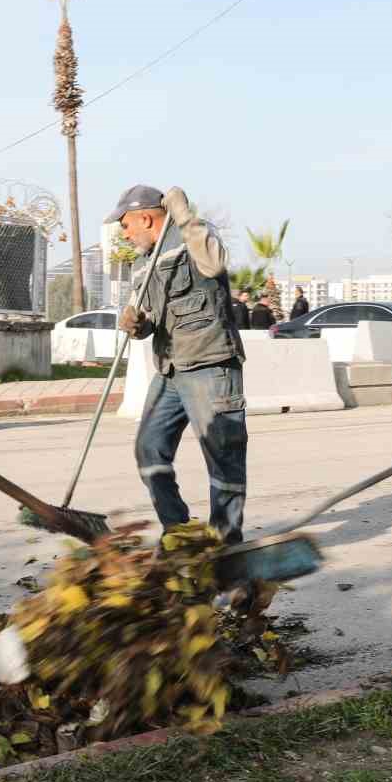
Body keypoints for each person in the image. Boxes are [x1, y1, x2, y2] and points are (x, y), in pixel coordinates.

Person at [110, 184, 248, 544]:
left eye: (125, 225)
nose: (124, 233)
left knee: (223, 460)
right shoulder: (142, 263)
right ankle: (180, 533)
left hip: (210, 365)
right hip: (170, 370)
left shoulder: (193, 235)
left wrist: (184, 214)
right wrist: (137, 325)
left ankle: (225, 547)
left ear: (145, 217)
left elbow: (214, 263)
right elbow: (151, 317)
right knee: (149, 448)